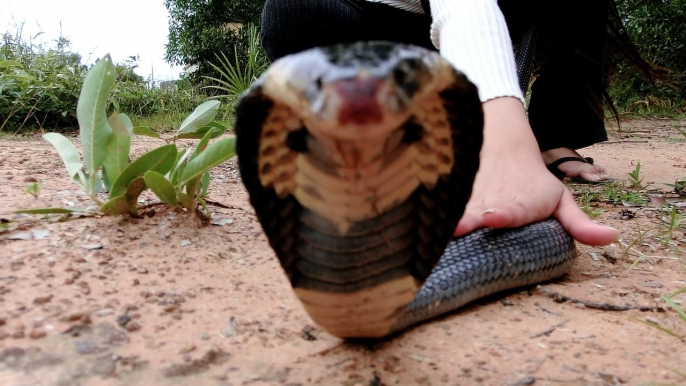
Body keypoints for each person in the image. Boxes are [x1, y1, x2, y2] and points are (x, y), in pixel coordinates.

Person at [258, 0, 655, 247]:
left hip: (493, 13)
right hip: (379, 24)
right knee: (292, 7)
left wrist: (508, 144)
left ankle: (554, 136)